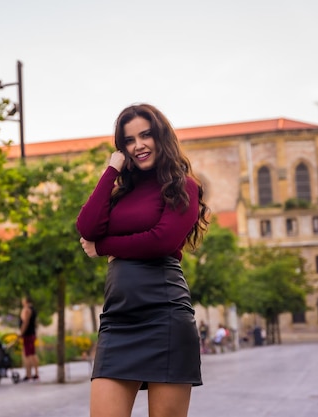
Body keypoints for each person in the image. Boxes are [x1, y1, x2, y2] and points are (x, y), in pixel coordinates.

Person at [76, 103, 209, 417]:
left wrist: (105, 247)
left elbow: (161, 241)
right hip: (118, 320)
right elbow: (87, 227)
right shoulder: (122, 191)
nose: (139, 146)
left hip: (165, 317)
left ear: (161, 136)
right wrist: (111, 171)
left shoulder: (183, 187)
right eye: (129, 140)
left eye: (145, 135)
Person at [18, 296, 39, 381]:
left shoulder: (27, 310)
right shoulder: (33, 310)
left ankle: (28, 374)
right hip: (32, 333)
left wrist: (21, 333)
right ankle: (36, 373)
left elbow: (25, 322)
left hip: (27, 334)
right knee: (32, 354)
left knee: (27, 355)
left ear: (26, 301)